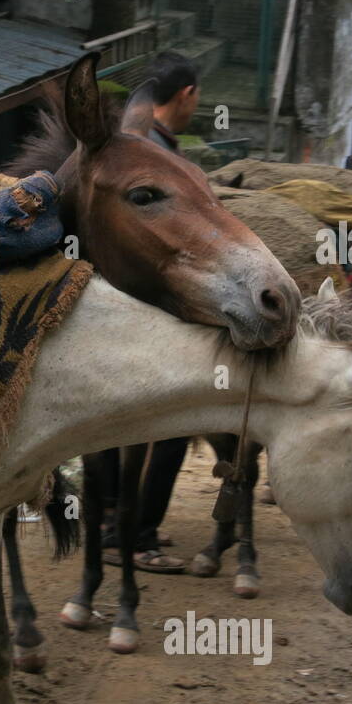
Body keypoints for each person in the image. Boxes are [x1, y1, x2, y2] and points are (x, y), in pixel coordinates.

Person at [102, 51, 201, 574]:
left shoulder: (129, 144)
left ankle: (109, 519)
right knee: (175, 422)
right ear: (186, 94)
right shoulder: (160, 158)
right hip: (149, 313)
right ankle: (136, 538)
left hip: (114, 310)